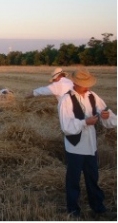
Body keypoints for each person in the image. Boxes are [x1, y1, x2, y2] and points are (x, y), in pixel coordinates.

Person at [58, 68, 117, 220]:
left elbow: (107, 115)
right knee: (73, 180)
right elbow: (66, 127)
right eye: (84, 84)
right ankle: (73, 211)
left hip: (91, 146)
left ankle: (98, 208)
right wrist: (85, 122)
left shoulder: (93, 96)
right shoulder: (66, 100)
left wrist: (106, 115)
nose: (87, 86)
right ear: (75, 83)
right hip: (75, 147)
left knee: (93, 178)